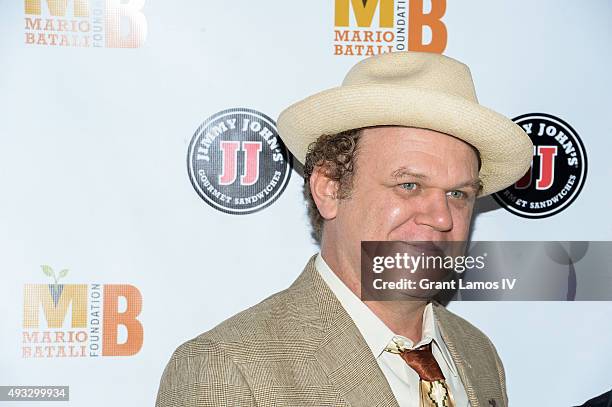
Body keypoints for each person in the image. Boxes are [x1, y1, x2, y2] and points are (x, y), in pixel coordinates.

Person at [155, 51, 533, 407]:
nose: (441, 218)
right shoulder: (227, 371)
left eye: (457, 193)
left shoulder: (477, 353)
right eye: (409, 185)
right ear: (329, 188)